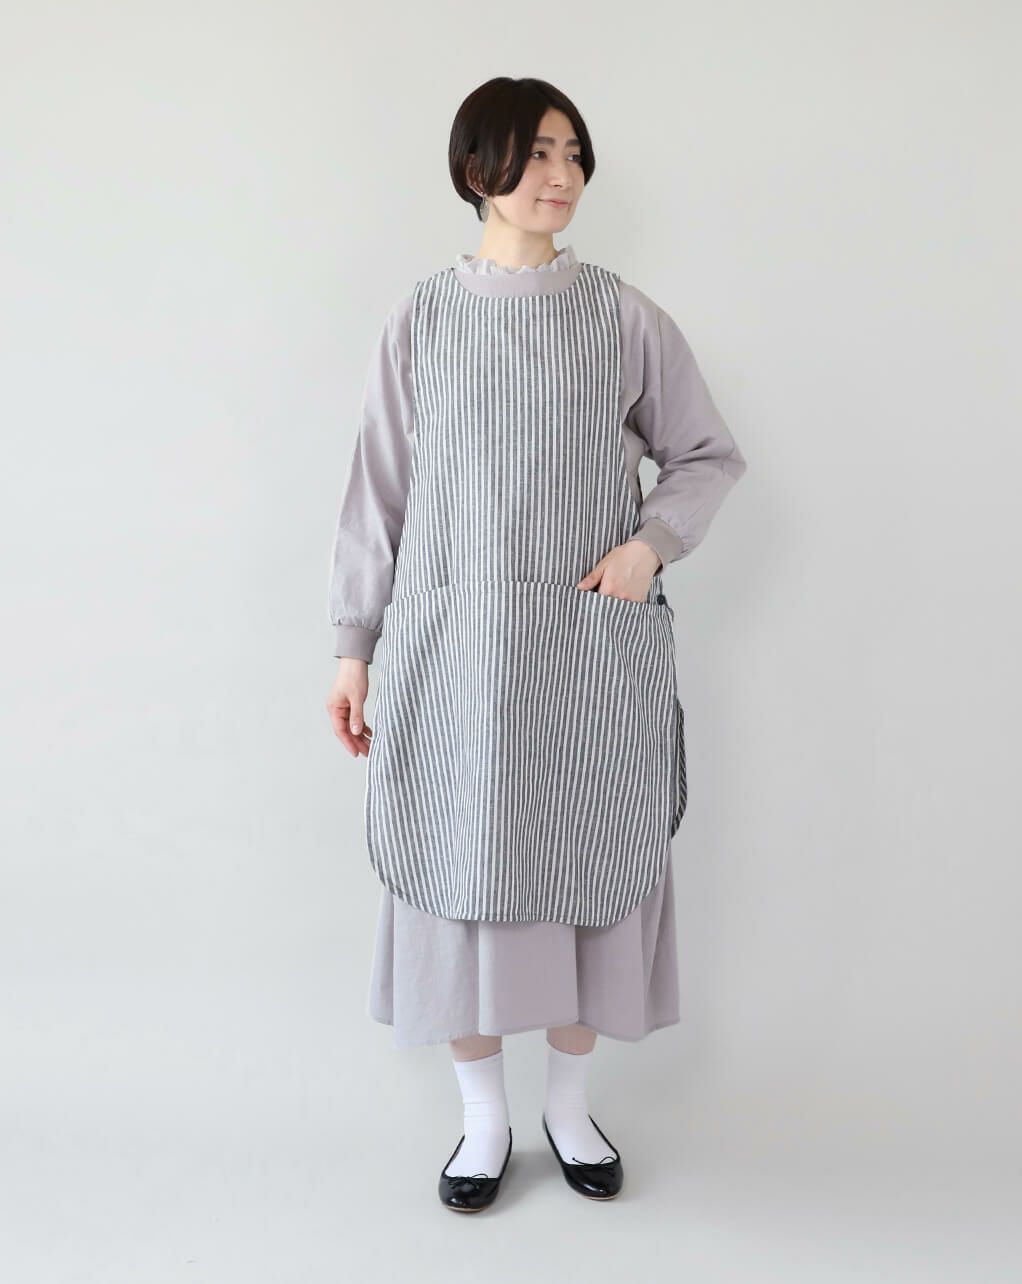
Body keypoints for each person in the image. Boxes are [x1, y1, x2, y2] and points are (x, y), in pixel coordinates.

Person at [325, 76, 747, 1213]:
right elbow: (377, 495)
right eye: (534, 154)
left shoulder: (622, 317)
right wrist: (353, 645)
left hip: (584, 657)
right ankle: (482, 1121)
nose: (560, 175)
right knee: (455, 868)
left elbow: (706, 454)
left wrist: (648, 547)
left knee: (586, 868)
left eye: (571, 152)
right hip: (455, 658)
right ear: (478, 172)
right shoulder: (421, 321)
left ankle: (567, 1107)